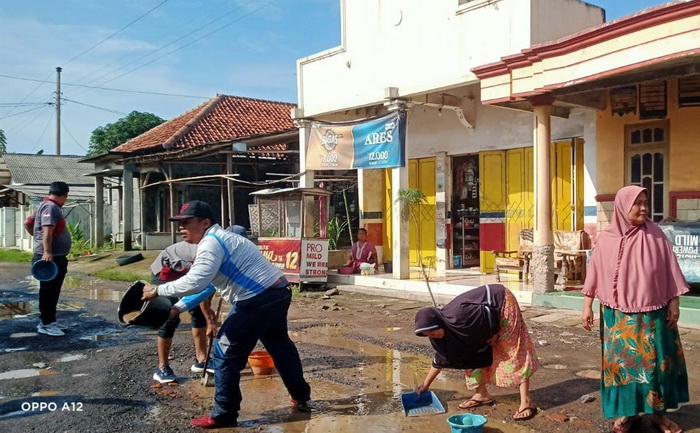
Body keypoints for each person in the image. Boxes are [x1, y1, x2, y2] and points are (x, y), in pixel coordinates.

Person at [141, 200, 311, 428]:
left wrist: (158, 290)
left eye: (186, 223)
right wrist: (177, 308)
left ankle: (224, 414)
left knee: (223, 354)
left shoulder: (211, 242)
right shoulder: (223, 240)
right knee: (280, 346)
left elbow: (196, 280)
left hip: (257, 299)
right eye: (179, 223)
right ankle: (301, 396)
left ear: (205, 222)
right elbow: (207, 285)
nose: (181, 228)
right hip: (277, 294)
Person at [581, 186, 689, 433]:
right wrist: (587, 306)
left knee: (655, 367)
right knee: (622, 369)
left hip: (653, 315)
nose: (643, 208)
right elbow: (595, 273)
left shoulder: (656, 235)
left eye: (645, 202)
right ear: (622, 207)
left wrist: (675, 302)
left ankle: (658, 415)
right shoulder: (606, 238)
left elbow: (670, 269)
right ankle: (627, 413)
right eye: (637, 203)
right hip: (618, 317)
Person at [414, 284, 539, 421]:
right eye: (428, 335)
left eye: (433, 331)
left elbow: (488, 312)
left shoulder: (460, 317)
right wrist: (426, 385)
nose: (433, 335)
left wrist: (494, 333)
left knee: (511, 349)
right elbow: (441, 359)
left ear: (439, 323)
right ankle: (481, 394)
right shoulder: (443, 336)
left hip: (500, 302)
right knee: (467, 354)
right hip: (481, 322)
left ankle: (526, 402)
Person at [150, 241, 213, 383]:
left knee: (199, 313)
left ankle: (202, 359)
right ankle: (162, 368)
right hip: (166, 271)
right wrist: (209, 318)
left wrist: (207, 311)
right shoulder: (208, 253)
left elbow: (207, 290)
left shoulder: (221, 256)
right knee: (170, 316)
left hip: (188, 273)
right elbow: (200, 285)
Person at [24, 182, 71, 337]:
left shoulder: (45, 206)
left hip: (54, 256)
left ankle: (49, 320)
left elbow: (28, 223)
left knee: (52, 290)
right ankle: (46, 324)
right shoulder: (51, 207)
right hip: (50, 257)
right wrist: (46, 250)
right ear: (65, 194)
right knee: (48, 291)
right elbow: (47, 230)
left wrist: (37, 239)